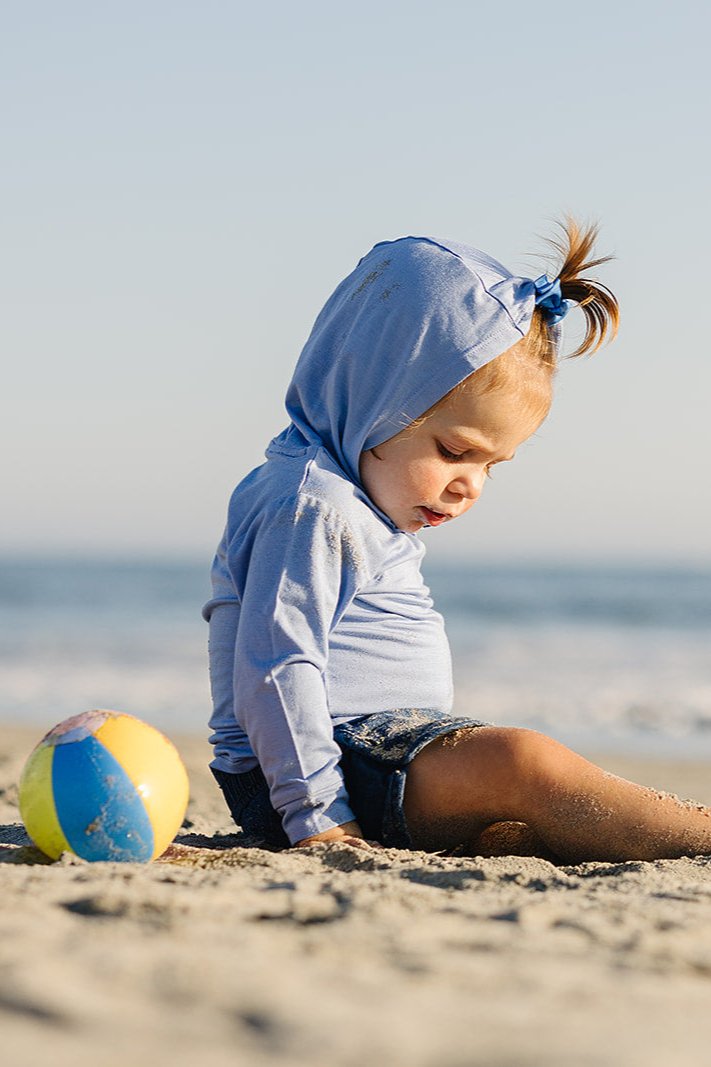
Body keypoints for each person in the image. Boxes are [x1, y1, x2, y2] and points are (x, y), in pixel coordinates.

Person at [204, 222, 711, 863]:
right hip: (329, 767)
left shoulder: (352, 502)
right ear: (372, 398)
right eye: (454, 452)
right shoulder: (311, 504)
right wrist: (317, 816)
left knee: (520, 793)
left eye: (491, 466)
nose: (469, 487)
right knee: (522, 762)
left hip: (381, 752)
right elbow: (276, 666)